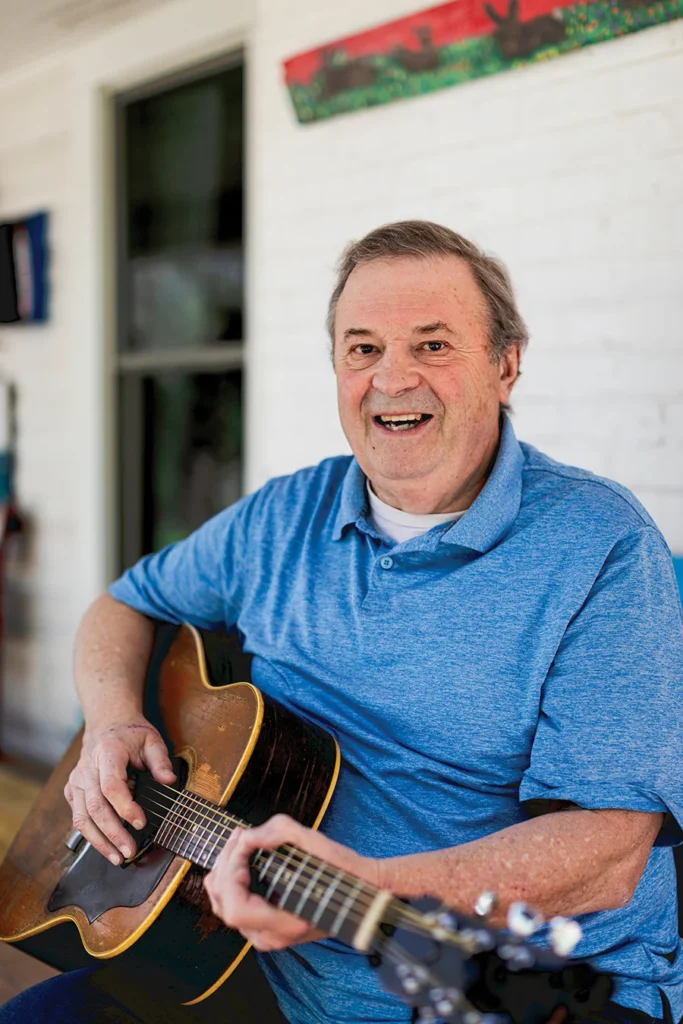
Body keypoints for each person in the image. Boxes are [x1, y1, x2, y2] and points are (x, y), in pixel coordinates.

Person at [2, 220, 682, 1024]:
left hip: (482, 983)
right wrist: (113, 723)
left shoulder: (598, 545)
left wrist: (371, 893)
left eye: (431, 345)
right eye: (362, 349)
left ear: (505, 365)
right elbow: (125, 603)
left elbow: (607, 852)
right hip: (235, 951)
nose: (392, 378)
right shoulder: (286, 513)